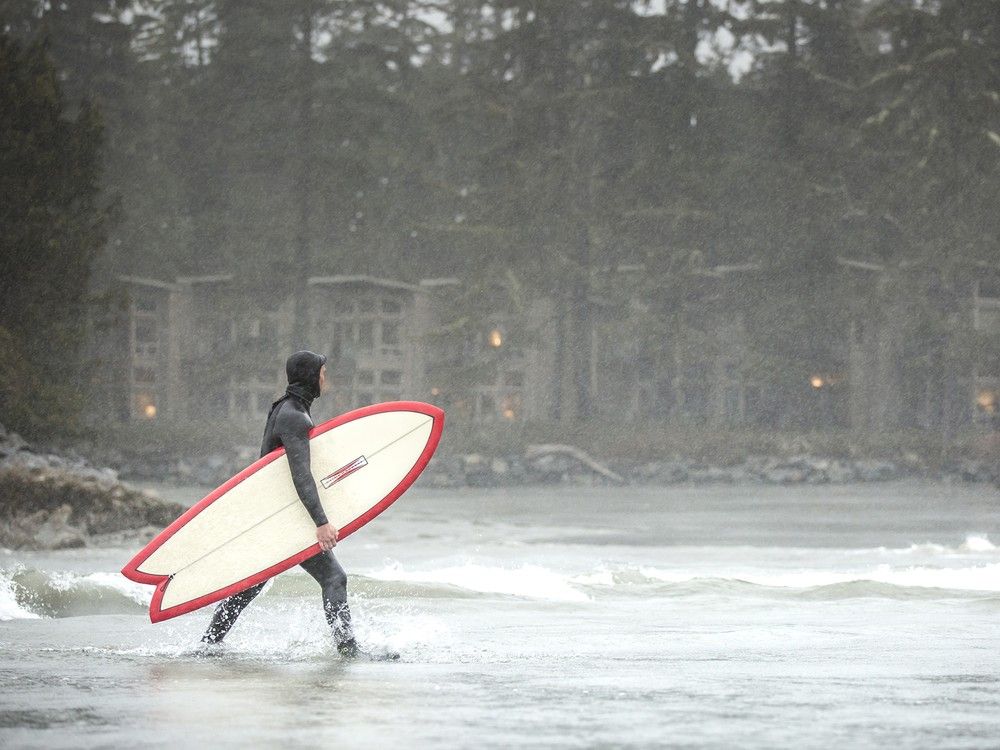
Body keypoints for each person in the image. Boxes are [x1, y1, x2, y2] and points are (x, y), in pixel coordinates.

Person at [201, 350, 359, 656]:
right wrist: (321, 522)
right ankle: (348, 649)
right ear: (311, 376)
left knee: (252, 584)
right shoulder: (294, 417)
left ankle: (208, 645)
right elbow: (301, 476)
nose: (326, 378)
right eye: (322, 372)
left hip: (272, 513)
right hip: (284, 517)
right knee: (334, 577)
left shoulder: (285, 408)